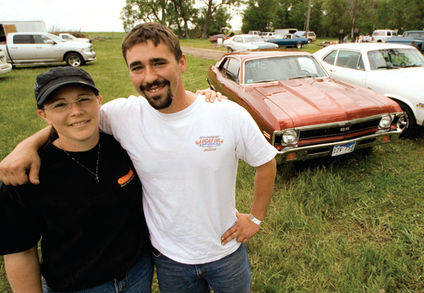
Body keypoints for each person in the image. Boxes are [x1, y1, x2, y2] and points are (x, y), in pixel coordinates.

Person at [0, 23, 278, 292]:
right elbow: (74, 122)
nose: (149, 77)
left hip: (226, 252)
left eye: (159, 63)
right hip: (168, 258)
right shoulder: (123, 115)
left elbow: (265, 163)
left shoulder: (226, 114)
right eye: (137, 67)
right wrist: (28, 145)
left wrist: (255, 219)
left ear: (181, 63)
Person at [0, 67, 152, 292]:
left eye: (84, 99)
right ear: (43, 114)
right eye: (60, 105)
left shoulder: (123, 145)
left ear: (99, 101)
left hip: (137, 275)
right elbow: (20, 250)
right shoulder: (28, 173)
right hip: (77, 286)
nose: (76, 111)